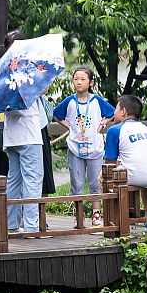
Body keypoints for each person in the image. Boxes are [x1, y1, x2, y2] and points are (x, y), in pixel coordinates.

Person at [53, 67, 114, 227]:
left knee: (95, 182)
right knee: (77, 183)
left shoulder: (97, 100)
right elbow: (56, 114)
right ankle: (78, 217)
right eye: (76, 79)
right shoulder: (69, 101)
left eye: (83, 79)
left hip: (94, 147)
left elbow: (112, 113)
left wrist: (103, 123)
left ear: (91, 82)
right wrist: (69, 126)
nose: (79, 82)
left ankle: (96, 216)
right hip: (75, 147)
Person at [1, 30, 45, 235]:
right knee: (33, 180)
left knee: (14, 180)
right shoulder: (29, 68)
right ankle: (31, 227)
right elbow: (40, 91)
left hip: (11, 134)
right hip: (28, 132)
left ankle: (11, 224)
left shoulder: (2, 70)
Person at [104, 94, 147, 228]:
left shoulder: (115, 130)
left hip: (138, 175)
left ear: (123, 112)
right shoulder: (145, 128)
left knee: (104, 176)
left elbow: (109, 164)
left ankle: (114, 219)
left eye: (116, 108)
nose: (114, 112)